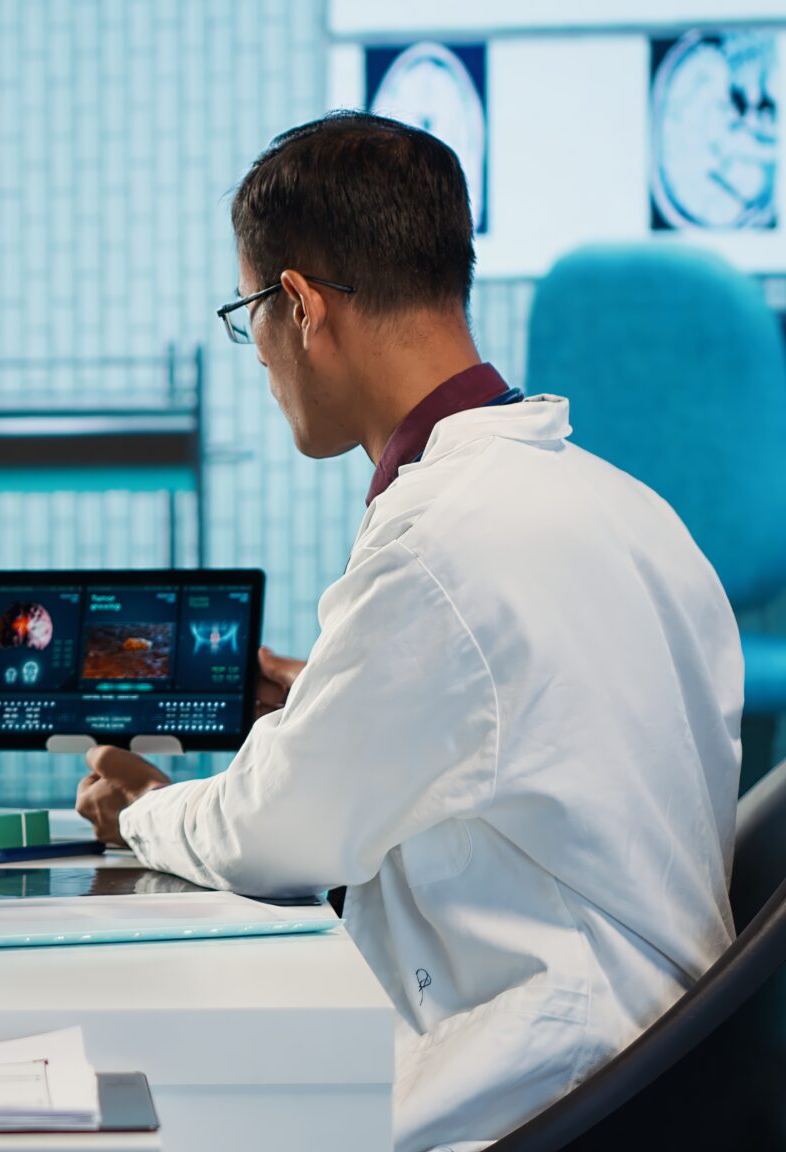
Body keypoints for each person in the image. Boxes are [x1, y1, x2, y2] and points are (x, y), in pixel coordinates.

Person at [76, 113, 741, 1152]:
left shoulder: (439, 542)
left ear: (297, 305)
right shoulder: (617, 504)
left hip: (550, 1083)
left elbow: (274, 834)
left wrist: (145, 810)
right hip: (664, 1057)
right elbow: (547, 727)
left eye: (246, 312)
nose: (256, 353)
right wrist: (326, 697)